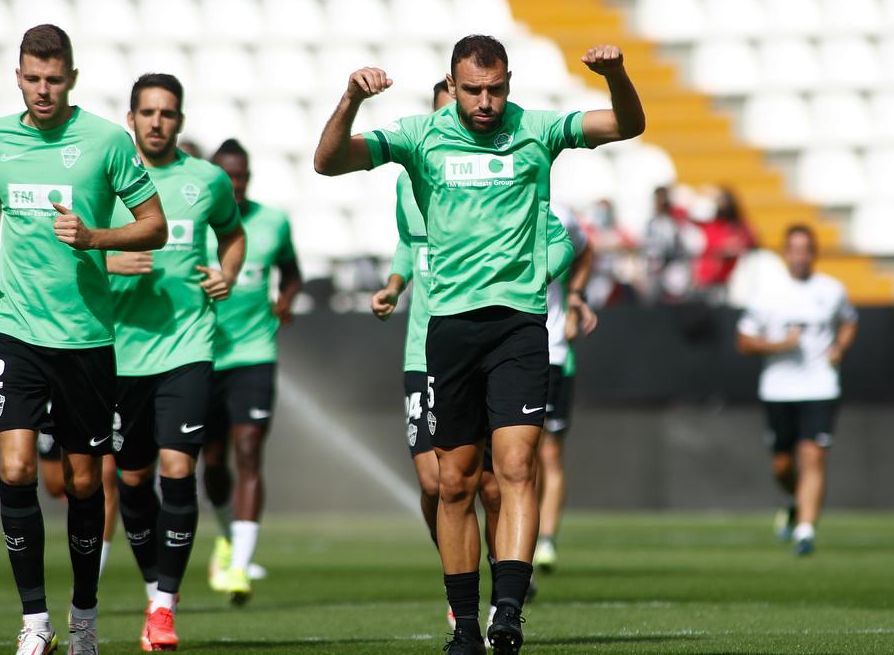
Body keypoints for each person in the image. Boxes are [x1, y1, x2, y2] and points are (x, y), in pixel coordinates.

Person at [313, 34, 645, 654]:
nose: (486, 102)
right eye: (473, 90)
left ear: (510, 83)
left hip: (519, 326)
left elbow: (628, 124)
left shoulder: (539, 129)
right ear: (453, 83)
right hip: (450, 329)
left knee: (517, 468)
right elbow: (328, 162)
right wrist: (350, 101)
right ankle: (463, 623)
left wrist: (616, 75)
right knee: (456, 483)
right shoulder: (420, 136)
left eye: (496, 89)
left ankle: (509, 614)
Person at [0, 25, 167, 655]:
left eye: (54, 78)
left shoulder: (106, 140)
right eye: (32, 77)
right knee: (17, 466)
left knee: (83, 484)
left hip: (85, 339)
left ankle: (83, 618)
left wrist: (96, 239)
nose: (43, 89)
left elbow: (154, 225)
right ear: (17, 77)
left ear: (72, 78)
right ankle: (34, 623)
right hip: (17, 327)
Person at [369, 79, 577, 631]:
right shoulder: (416, 173)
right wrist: (394, 285)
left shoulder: (509, 165)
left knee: (500, 477)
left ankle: (499, 589)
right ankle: (459, 584)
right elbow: (408, 244)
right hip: (430, 345)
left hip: (501, 333)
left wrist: (522, 278)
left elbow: (561, 238)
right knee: (440, 482)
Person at [106, 73, 246, 650]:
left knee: (178, 469)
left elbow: (233, 235)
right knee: (132, 480)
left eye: (167, 113)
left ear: (180, 121)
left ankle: (163, 607)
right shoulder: (105, 179)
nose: (157, 122)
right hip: (117, 354)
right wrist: (110, 263)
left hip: (188, 348)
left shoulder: (207, 180)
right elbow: (67, 248)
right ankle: (154, 588)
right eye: (147, 112)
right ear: (131, 118)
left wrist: (227, 273)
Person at [202, 138, 303, 605]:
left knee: (248, 451)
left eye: (242, 176)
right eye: (227, 177)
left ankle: (240, 565)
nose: (236, 184)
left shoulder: (273, 222)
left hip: (255, 354)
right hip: (200, 355)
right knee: (212, 464)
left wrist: (285, 300)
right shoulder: (193, 224)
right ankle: (228, 537)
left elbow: (292, 271)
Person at [736, 224, 858, 556]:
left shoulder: (831, 290)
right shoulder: (767, 294)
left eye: (806, 249)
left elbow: (849, 321)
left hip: (820, 385)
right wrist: (779, 345)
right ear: (785, 253)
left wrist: (839, 349)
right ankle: (793, 502)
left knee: (813, 455)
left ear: (813, 253)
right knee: (782, 465)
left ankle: (805, 531)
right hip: (779, 389)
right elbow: (744, 340)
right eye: (795, 249)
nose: (801, 256)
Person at [534, 204, 598, 574]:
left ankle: (545, 538)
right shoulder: (489, 201)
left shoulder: (560, 213)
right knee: (512, 457)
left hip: (552, 349)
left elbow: (586, 249)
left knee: (548, 452)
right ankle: (516, 546)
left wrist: (575, 301)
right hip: (503, 350)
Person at [37, 435, 119, 579]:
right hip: (53, 414)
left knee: (106, 474)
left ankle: (91, 576)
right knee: (55, 485)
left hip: (95, 413)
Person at [692, 186, 755, 303]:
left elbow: (749, 243)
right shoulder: (709, 226)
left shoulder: (739, 227)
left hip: (729, 282)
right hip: (705, 281)